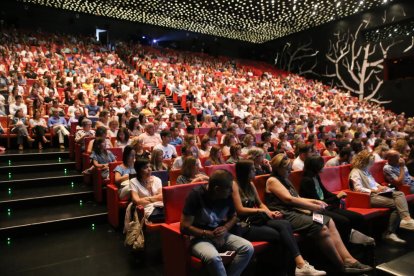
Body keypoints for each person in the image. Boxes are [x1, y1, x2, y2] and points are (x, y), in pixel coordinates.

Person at [265, 153, 373, 273]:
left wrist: (315, 201)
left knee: (328, 220)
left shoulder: (284, 179)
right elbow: (289, 199)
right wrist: (312, 206)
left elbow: (298, 197)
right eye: (287, 168)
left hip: (296, 211)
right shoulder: (272, 180)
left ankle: (348, 259)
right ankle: (341, 266)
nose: (290, 170)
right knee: (322, 228)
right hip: (286, 215)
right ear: (278, 168)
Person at [233, 160, 326, 276]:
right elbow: (239, 210)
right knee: (280, 235)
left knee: (284, 224)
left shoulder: (250, 184)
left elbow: (260, 203)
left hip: (258, 218)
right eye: (252, 169)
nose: (255, 170)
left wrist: (270, 213)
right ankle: (289, 268)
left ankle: (299, 264)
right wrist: (261, 211)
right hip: (245, 223)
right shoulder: (235, 185)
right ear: (245, 172)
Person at [180, 170, 254, 276]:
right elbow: (184, 226)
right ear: (217, 189)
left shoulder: (228, 195)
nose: (231, 192)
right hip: (198, 237)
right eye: (228, 190)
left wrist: (225, 228)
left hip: (219, 233)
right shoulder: (196, 195)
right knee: (213, 258)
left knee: (248, 248)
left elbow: (234, 216)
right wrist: (207, 234)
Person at [300, 156, 375, 245]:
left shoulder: (315, 177)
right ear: (316, 167)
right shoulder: (307, 181)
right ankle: (347, 245)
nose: (324, 166)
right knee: (344, 221)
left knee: (358, 217)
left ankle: (364, 243)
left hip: (327, 207)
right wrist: (337, 197)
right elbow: (317, 202)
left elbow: (325, 192)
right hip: (317, 210)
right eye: (322, 165)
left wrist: (338, 195)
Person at [349, 150, 414, 244]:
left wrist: (380, 186)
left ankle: (406, 219)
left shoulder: (365, 170)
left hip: (377, 193)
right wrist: (374, 190)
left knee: (399, 194)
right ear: (364, 162)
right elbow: (357, 189)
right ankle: (389, 233)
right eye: (370, 163)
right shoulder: (356, 172)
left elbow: (373, 182)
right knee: (398, 205)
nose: (371, 165)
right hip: (367, 197)